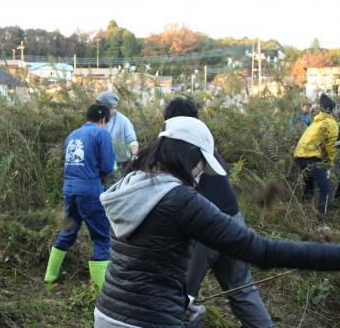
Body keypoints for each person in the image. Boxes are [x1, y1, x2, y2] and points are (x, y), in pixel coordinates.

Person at [94, 116, 340, 328]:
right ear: (189, 155)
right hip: (151, 319)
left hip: (107, 313)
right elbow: (260, 251)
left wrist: (181, 301)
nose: (200, 174)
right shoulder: (180, 199)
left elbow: (145, 263)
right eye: (202, 165)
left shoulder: (129, 184)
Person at [163, 97, 272, 328]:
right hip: (233, 222)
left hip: (205, 229)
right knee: (242, 288)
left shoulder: (176, 151)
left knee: (181, 295)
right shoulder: (207, 146)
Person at [44, 104, 116, 289]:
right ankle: (102, 289)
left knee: (68, 230)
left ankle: (50, 277)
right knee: (101, 237)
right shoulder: (102, 134)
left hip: (69, 189)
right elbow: (108, 166)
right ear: (103, 120)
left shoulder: (72, 135)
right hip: (90, 190)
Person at [294, 93, 338, 232]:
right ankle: (321, 224)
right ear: (331, 110)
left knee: (309, 187)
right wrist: (329, 163)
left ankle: (303, 218)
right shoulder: (331, 123)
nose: (337, 112)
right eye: (336, 109)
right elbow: (330, 147)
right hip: (311, 158)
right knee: (326, 189)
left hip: (299, 157)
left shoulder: (317, 121)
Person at [96, 91, 139, 171]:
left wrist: (134, 157)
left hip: (121, 164)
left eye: (100, 106)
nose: (99, 109)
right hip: (102, 163)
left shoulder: (124, 121)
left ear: (108, 106)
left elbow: (132, 141)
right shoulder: (99, 118)